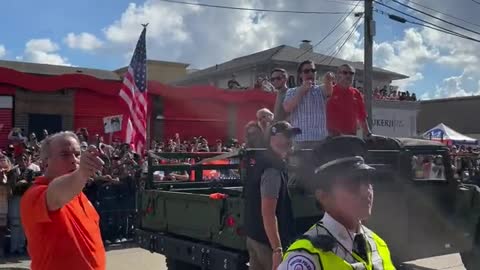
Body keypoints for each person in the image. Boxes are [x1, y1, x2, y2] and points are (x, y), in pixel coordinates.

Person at [279, 136, 395, 270]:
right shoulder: (307, 256)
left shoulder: (377, 244)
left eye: (367, 180)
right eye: (353, 183)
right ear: (323, 196)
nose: (366, 191)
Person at [20, 131, 106, 270]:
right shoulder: (34, 195)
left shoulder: (79, 194)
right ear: (45, 162)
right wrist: (81, 172)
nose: (74, 160)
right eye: (65, 154)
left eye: (78, 154)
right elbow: (56, 194)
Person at [245, 121, 299, 270]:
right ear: (272, 138)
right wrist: (277, 249)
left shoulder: (260, 160)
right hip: (266, 243)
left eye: (291, 136)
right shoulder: (272, 169)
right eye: (286, 136)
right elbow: (268, 213)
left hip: (254, 236)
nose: (289, 141)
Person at [283, 60, 334, 149]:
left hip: (320, 139)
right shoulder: (292, 91)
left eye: (313, 71)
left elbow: (330, 92)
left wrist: (328, 80)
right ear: (300, 75)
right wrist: (302, 91)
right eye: (306, 71)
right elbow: (287, 108)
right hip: (300, 140)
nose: (310, 73)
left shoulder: (320, 89)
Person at [326, 64, 372, 137]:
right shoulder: (328, 91)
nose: (348, 75)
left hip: (350, 138)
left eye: (351, 73)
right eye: (345, 72)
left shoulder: (357, 93)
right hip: (331, 138)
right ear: (338, 75)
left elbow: (362, 117)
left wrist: (369, 134)